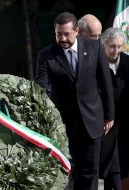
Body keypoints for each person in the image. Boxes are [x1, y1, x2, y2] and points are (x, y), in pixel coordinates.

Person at [35, 12, 115, 190]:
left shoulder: (94, 47)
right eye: (58, 34)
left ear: (77, 31)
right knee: (66, 173)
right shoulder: (46, 55)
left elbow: (105, 82)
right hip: (63, 125)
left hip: (92, 121)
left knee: (90, 173)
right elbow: (41, 87)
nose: (62, 38)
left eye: (66, 34)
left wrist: (110, 115)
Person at [100, 27, 129, 190]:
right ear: (104, 44)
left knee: (121, 166)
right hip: (105, 123)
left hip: (124, 123)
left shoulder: (127, 62)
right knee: (111, 167)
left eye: (119, 46)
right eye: (112, 46)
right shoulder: (96, 64)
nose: (115, 50)